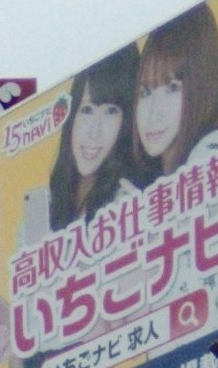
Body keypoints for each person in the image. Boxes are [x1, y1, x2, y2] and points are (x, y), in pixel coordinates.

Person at [26, 44, 139, 237]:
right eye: (87, 110)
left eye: (111, 112)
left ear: (126, 124)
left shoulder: (126, 203)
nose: (94, 132)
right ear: (71, 117)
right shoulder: (39, 207)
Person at [126, 0, 218, 187]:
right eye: (146, 92)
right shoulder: (149, 181)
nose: (153, 114)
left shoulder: (213, 154)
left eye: (172, 88)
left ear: (202, 86)